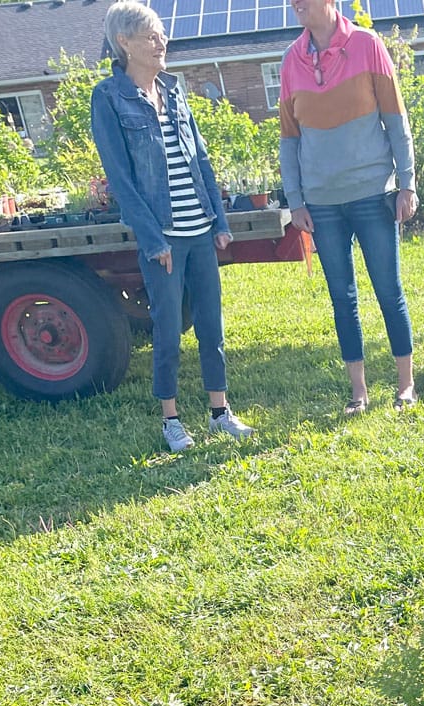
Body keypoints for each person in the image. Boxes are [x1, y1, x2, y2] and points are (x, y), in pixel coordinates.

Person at [91, 2, 252, 453]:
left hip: (199, 228)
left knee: (211, 324)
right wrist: (151, 238)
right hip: (162, 236)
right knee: (166, 330)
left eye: (161, 35)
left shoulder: (175, 90)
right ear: (125, 42)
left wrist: (218, 219)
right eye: (151, 36)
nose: (162, 42)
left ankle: (220, 412)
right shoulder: (108, 98)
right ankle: (172, 420)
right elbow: (120, 178)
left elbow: (199, 158)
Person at [279, 0, 418, 414]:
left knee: (388, 291)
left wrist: (407, 184)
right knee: (342, 297)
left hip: (373, 194)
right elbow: (289, 141)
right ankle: (358, 392)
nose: (295, 4)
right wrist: (296, 200)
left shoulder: (367, 44)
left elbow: (397, 121)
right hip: (321, 205)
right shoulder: (290, 61)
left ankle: (405, 384)